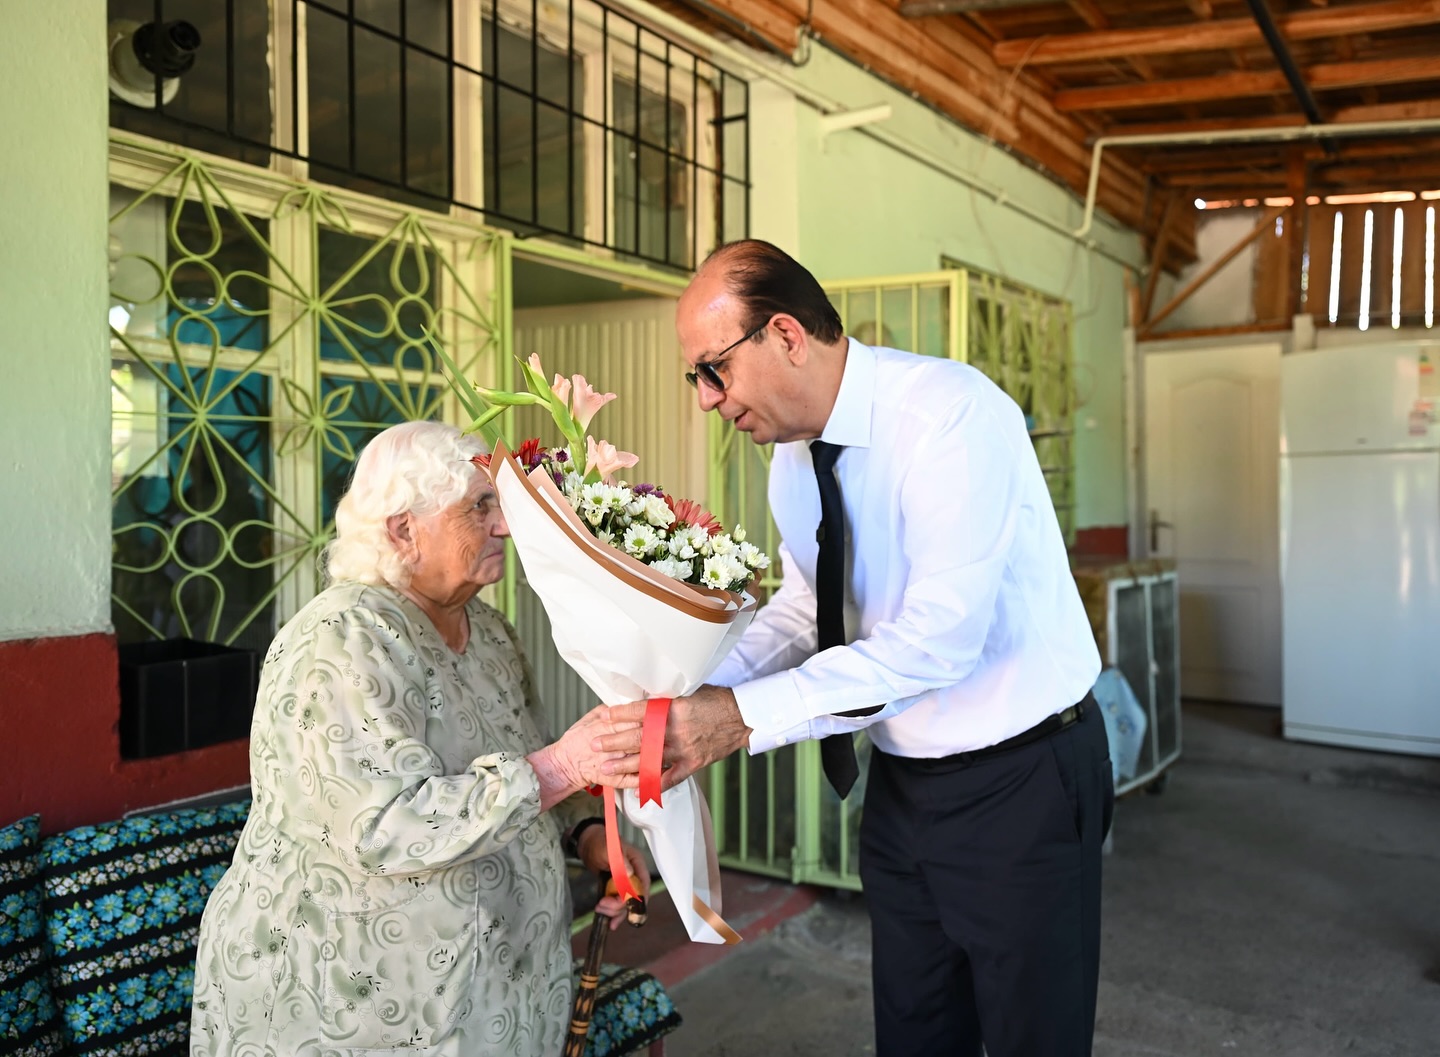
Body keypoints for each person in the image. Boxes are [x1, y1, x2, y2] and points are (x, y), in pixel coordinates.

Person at [596, 240, 1112, 1057]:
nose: (704, 400)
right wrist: (688, 692)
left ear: (788, 336)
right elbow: (810, 607)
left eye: (713, 370)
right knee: (914, 1032)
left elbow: (936, 644)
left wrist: (735, 719)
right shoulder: (791, 466)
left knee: (1031, 1037)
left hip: (1023, 781)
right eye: (696, 378)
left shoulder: (949, 415)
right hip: (904, 785)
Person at [191, 420, 647, 1057]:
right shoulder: (342, 638)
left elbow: (525, 754)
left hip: (497, 988)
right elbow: (383, 827)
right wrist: (566, 766)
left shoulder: (488, 631)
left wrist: (586, 833)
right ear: (403, 530)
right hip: (365, 1001)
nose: (504, 526)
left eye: (500, 504)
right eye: (479, 507)